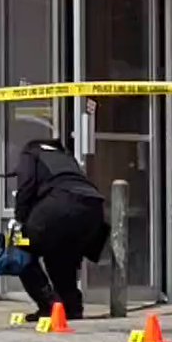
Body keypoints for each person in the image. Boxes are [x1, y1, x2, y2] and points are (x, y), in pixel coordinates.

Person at [12, 138, 109, 322]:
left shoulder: (31, 153)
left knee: (20, 249)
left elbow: (26, 186)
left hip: (60, 204)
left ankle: (49, 305)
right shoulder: (65, 157)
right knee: (62, 255)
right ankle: (71, 308)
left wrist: (20, 219)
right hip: (93, 209)